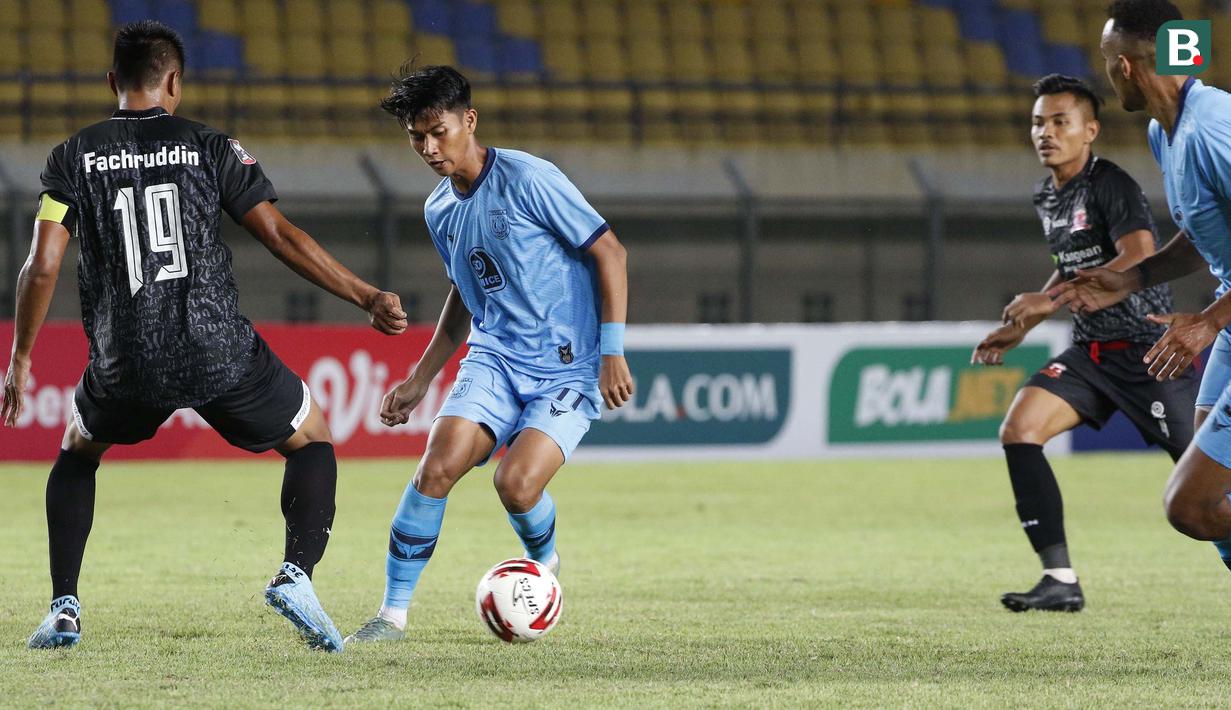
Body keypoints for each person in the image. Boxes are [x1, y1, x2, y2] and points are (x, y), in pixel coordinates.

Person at [0, 21, 407, 652]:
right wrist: (367, 297)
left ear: (113, 82)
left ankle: (64, 609)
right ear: (174, 83)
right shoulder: (209, 147)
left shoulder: (71, 158)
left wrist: (22, 358)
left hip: (126, 357)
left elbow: (43, 265)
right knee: (313, 439)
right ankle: (296, 575)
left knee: (78, 450)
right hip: (216, 348)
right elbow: (281, 236)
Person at [344, 65, 633, 644]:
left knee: (516, 484)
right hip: (495, 357)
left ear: (468, 120)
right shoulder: (438, 209)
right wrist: (422, 377)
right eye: (415, 137)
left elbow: (611, 252)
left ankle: (545, 564)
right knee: (436, 467)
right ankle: (391, 617)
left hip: (567, 368)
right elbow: (466, 292)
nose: (428, 148)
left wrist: (611, 351)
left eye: (438, 131)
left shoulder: (530, 178)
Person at [974, 74, 1197, 612]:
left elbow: (1137, 254)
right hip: (1091, 353)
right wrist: (1025, 322)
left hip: (1147, 353)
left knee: (1203, 484)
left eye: (1059, 121)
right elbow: (1072, 266)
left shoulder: (1109, 184)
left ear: (1089, 130)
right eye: (1037, 122)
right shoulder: (1048, 193)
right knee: (1020, 430)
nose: (1045, 132)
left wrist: (1047, 304)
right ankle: (1060, 580)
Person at [1050, 0, 1231, 574]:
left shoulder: (1212, 127)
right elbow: (1203, 230)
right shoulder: (1165, 131)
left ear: (1126, 66)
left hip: (1223, 317)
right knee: (1213, 498)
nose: (1105, 74)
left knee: (1190, 505)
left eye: (1106, 61)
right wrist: (1130, 279)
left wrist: (1207, 322)